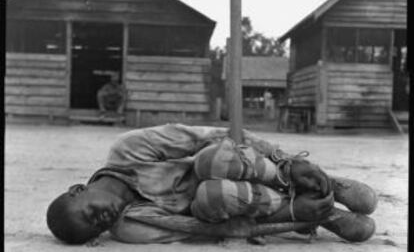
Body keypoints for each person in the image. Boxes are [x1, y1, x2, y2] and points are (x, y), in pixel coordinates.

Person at [46, 124, 377, 245]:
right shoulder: (129, 227)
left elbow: (213, 135)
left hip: (249, 166)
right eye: (94, 232)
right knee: (209, 196)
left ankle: (316, 181)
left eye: (90, 214)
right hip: (241, 202)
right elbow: (208, 230)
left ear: (79, 190)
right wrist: (296, 217)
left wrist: (289, 160)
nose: (101, 223)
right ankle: (324, 212)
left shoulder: (127, 148)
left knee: (209, 161)